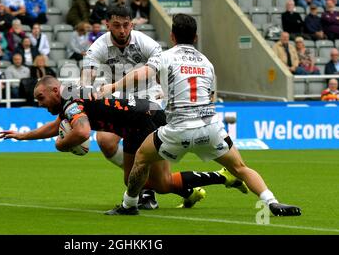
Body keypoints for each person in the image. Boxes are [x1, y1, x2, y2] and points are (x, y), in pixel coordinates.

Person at [101, 13, 301, 217]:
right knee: (240, 168)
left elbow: (141, 75)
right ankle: (272, 202)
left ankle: (129, 204)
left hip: (178, 129)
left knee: (141, 158)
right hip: (210, 128)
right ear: (195, 37)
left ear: (172, 36)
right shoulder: (207, 63)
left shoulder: (165, 56)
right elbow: (211, 97)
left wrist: (113, 86)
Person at [0, 76, 249, 210]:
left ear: (55, 90)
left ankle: (221, 176)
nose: (39, 103)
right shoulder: (69, 98)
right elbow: (58, 125)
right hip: (134, 125)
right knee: (137, 181)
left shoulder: (71, 101)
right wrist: (23, 135)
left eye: (41, 97)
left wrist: (61, 145)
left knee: (157, 183)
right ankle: (201, 185)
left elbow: (83, 133)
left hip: (148, 120)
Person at [81, 5, 163, 184]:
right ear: (107, 24)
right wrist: (84, 96)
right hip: (120, 97)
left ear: (132, 25)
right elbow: (87, 77)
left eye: (126, 25)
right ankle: (139, 178)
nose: (122, 30)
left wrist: (111, 87)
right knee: (105, 141)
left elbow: (149, 72)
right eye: (116, 25)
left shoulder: (147, 43)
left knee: (145, 146)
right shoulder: (98, 47)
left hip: (147, 96)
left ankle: (147, 188)